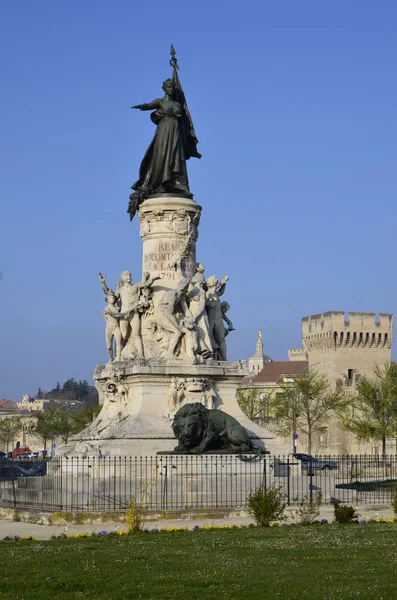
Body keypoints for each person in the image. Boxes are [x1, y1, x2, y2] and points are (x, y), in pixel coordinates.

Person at [128, 78, 201, 219]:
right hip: (164, 132)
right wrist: (141, 107)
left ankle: (177, 183)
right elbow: (149, 105)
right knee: (162, 156)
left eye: (172, 86)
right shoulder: (160, 102)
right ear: (163, 88)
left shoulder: (177, 104)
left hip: (176, 133)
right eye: (168, 86)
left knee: (176, 157)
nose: (171, 88)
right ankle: (161, 181)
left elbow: (185, 120)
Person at [155, 278, 192, 358]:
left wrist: (191, 318)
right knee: (177, 332)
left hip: (168, 315)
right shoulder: (172, 294)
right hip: (161, 315)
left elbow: (185, 308)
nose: (185, 290)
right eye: (184, 287)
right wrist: (178, 327)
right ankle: (169, 353)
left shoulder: (182, 295)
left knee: (180, 329)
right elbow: (169, 314)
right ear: (181, 286)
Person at [205, 275, 229, 361]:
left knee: (221, 339)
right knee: (209, 337)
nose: (216, 286)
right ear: (213, 284)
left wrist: (224, 283)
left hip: (219, 320)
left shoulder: (216, 294)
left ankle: (224, 358)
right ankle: (210, 356)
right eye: (215, 285)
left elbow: (221, 292)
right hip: (211, 319)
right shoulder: (207, 294)